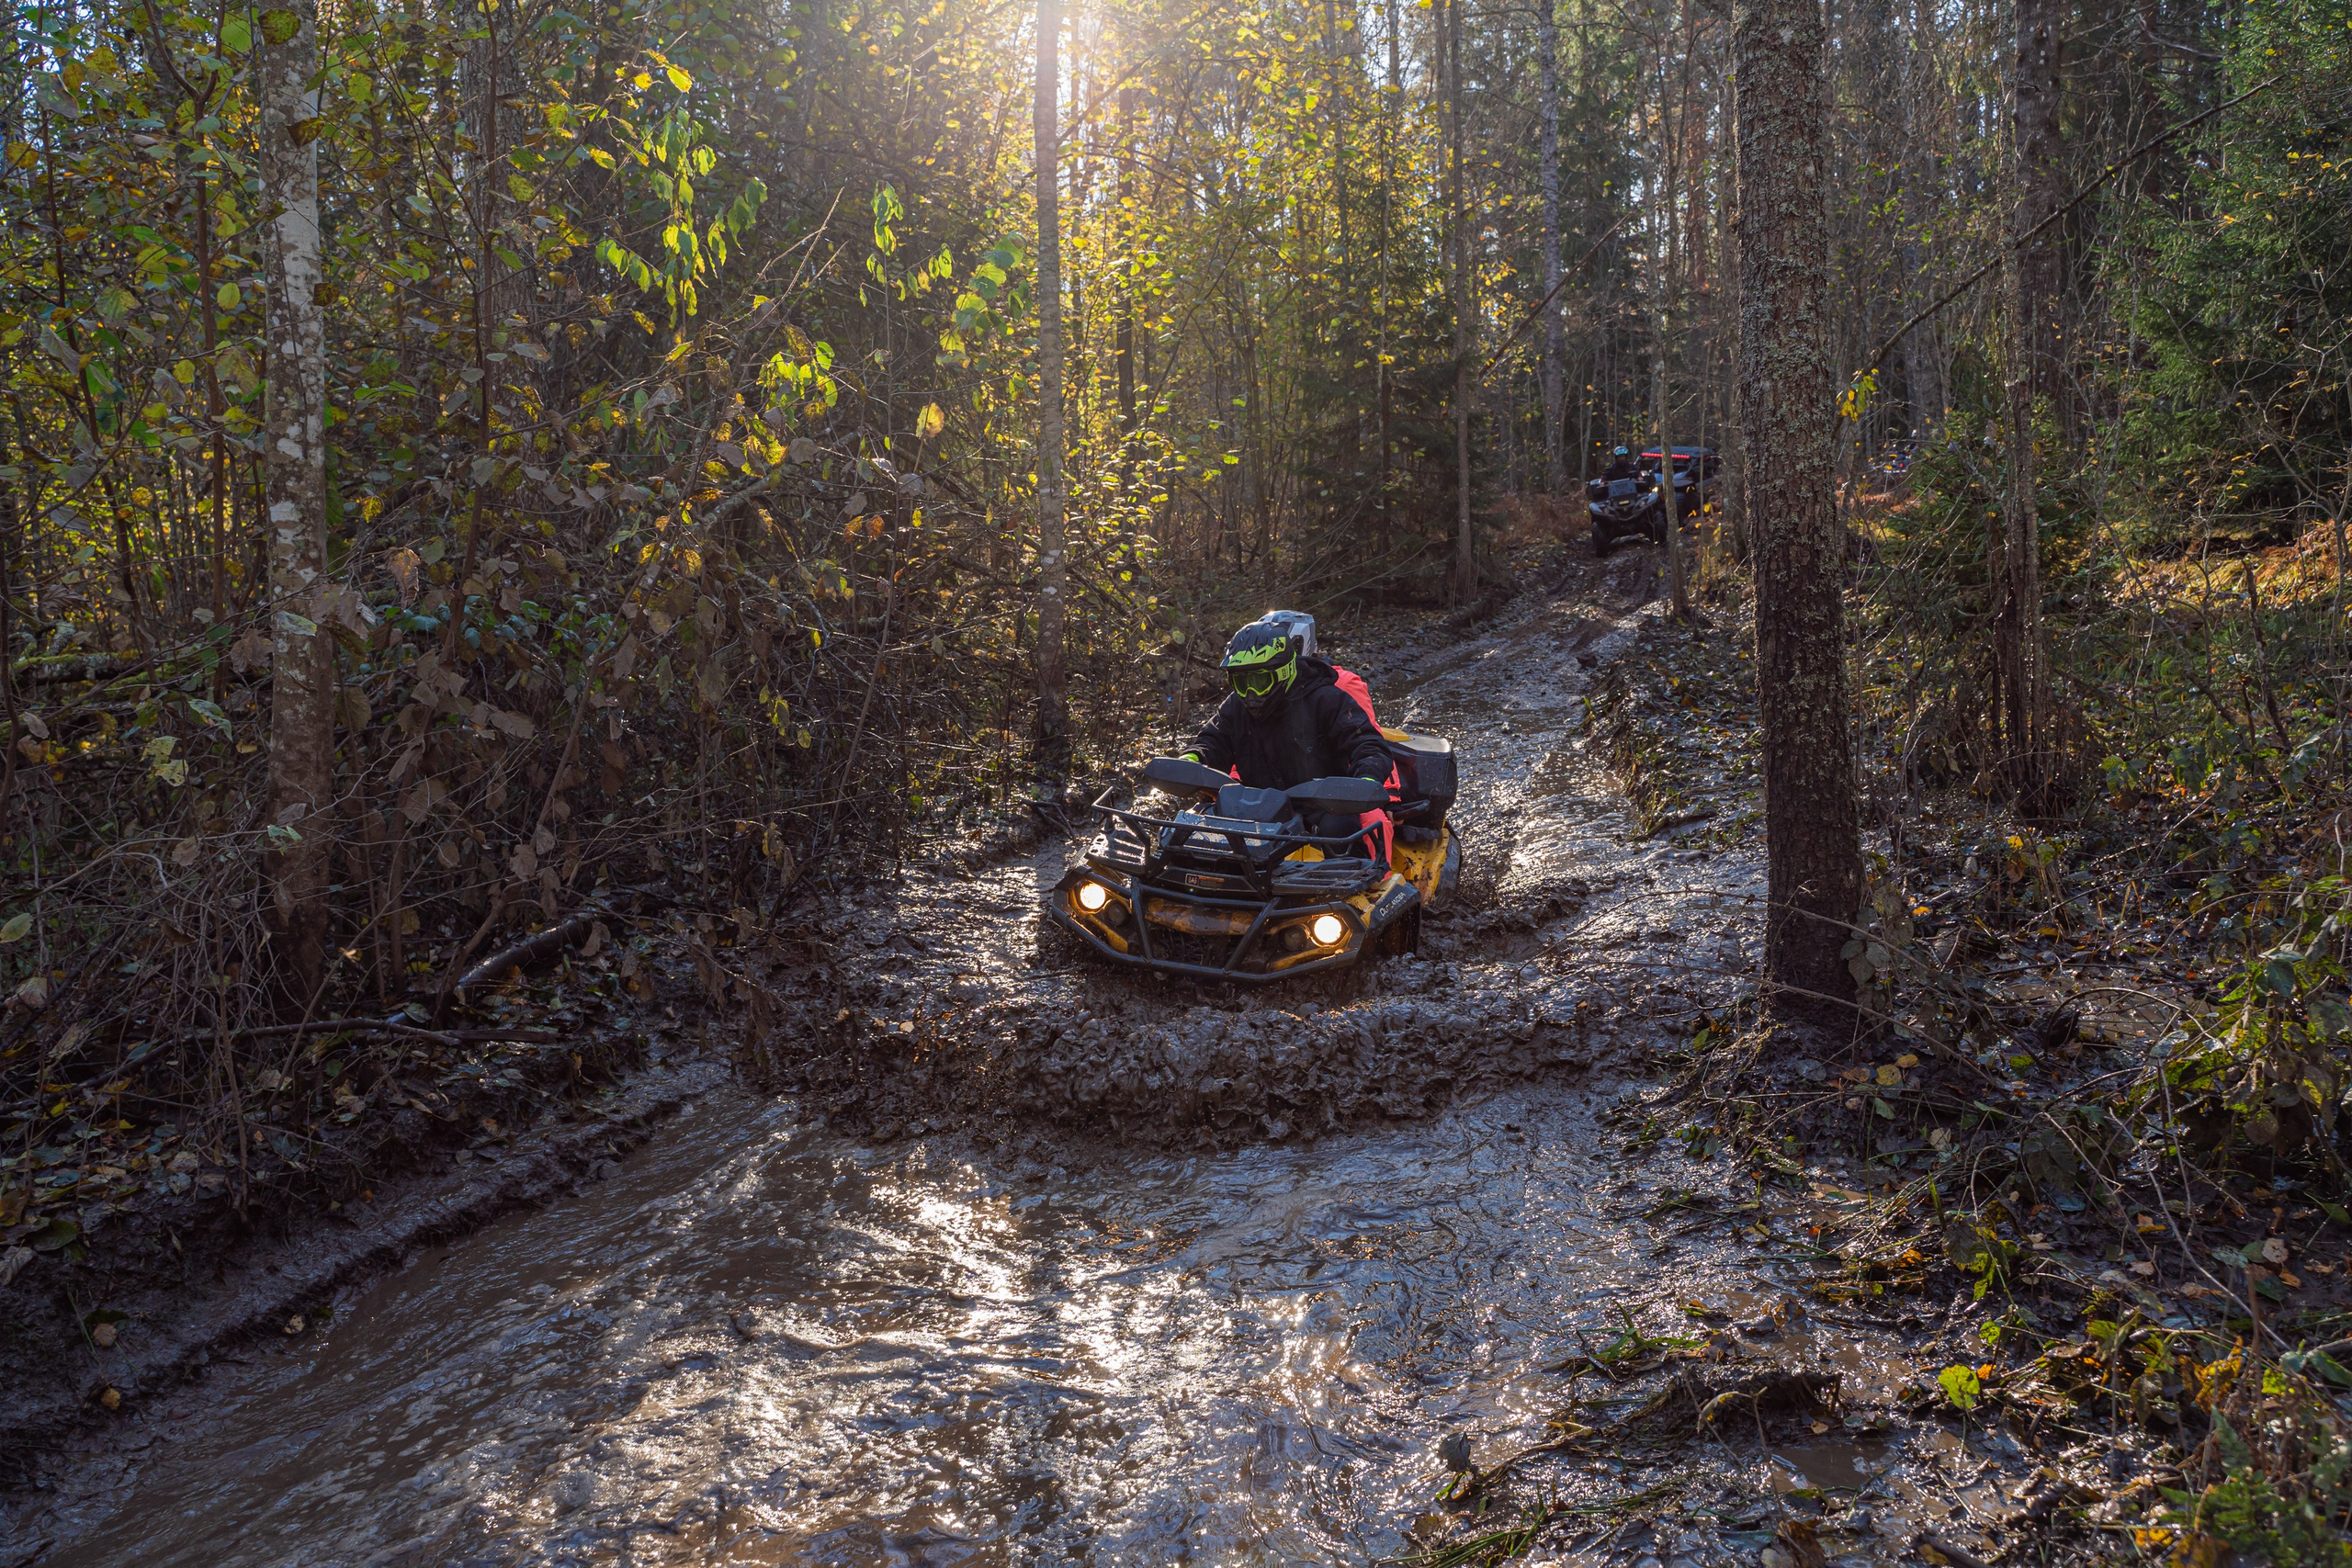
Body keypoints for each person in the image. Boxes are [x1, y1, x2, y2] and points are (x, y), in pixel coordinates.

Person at [1182, 619, 1395, 857]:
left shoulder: (1327, 700)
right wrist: (1192, 758)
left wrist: (1365, 780)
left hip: (1320, 804)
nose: (1251, 693)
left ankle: (1360, 889)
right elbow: (1212, 741)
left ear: (1284, 671)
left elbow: (1368, 744)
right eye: (1241, 683)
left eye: (1260, 681)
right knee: (1195, 824)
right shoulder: (1236, 705)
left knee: (1341, 829)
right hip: (1253, 805)